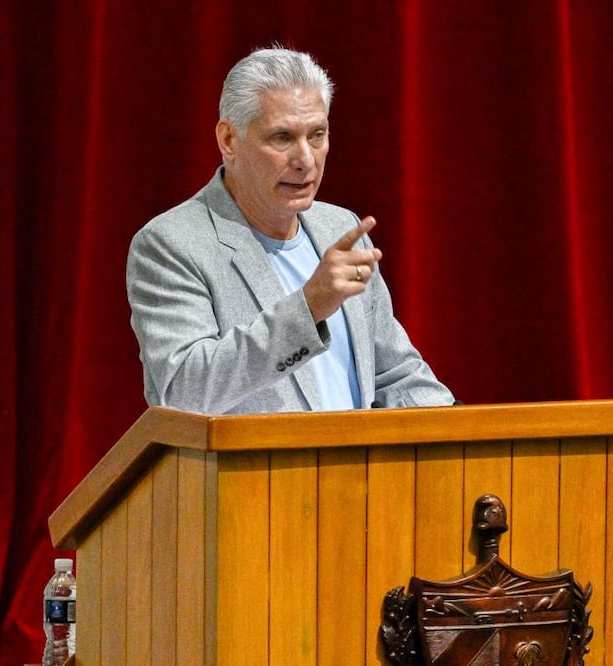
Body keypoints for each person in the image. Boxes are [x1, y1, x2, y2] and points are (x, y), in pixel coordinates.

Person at [126, 46, 454, 414]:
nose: (306, 160)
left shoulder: (340, 228)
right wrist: (309, 306)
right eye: (282, 138)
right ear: (228, 140)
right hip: (251, 473)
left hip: (356, 471)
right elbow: (184, 391)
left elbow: (395, 374)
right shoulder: (172, 244)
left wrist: (461, 439)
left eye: (317, 135)